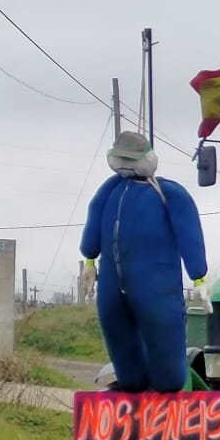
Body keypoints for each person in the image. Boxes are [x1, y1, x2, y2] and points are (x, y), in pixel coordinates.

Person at [80, 131, 208, 393]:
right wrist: (90, 261)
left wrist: (200, 276)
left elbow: (189, 234)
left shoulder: (168, 193)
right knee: (117, 333)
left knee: (163, 333)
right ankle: (132, 382)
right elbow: (94, 220)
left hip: (157, 287)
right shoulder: (109, 190)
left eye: (132, 159)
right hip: (111, 288)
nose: (126, 165)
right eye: (122, 159)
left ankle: (167, 383)